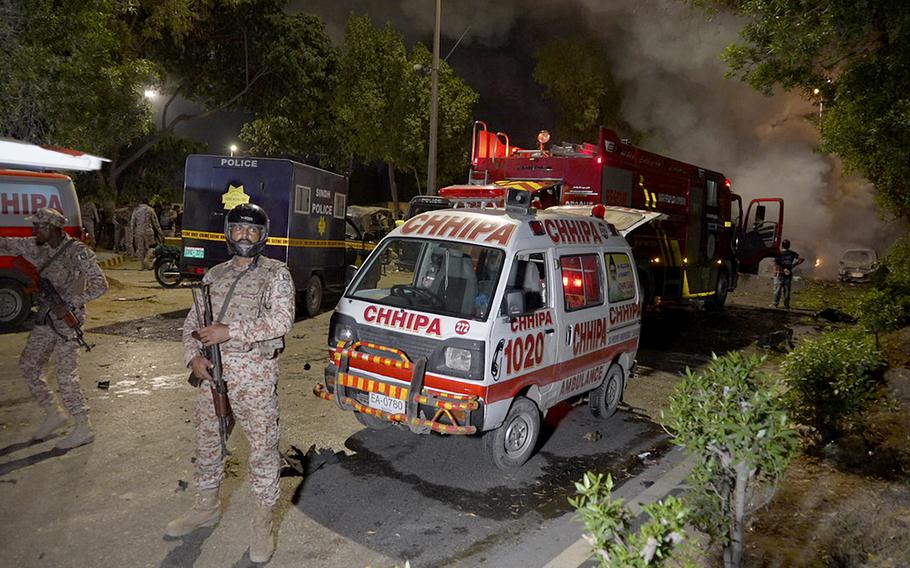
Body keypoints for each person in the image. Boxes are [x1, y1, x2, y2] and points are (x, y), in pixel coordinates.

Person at [166, 203, 294, 564]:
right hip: (212, 375)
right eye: (238, 228)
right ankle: (205, 507)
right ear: (228, 231)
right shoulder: (214, 275)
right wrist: (193, 356)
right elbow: (193, 321)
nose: (244, 236)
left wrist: (230, 331)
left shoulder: (276, 275)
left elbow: (282, 320)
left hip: (254, 375)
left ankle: (262, 524)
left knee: (263, 451)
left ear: (263, 235)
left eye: (252, 231)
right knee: (208, 442)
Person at [0, 208, 108, 449]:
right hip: (47, 317)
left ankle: (83, 425)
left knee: (64, 374)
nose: (33, 230)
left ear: (52, 228)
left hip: (69, 320)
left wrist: (72, 302)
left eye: (38, 226)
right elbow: (6, 244)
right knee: (29, 364)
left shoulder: (77, 252)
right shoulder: (35, 246)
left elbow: (101, 285)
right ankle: (53, 413)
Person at [129, 198, 163, 269]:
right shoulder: (150, 209)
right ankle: (146, 260)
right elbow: (155, 222)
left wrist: (132, 233)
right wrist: (160, 232)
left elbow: (132, 222)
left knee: (140, 248)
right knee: (150, 247)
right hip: (148, 231)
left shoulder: (136, 210)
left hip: (139, 231)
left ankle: (142, 265)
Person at [772, 239, 805, 309]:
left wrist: (782, 270)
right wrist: (793, 266)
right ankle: (786, 305)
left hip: (780, 273)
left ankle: (775, 304)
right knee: (787, 290)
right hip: (788, 274)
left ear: (782, 245)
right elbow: (802, 259)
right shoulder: (792, 253)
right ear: (789, 246)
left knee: (777, 290)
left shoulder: (778, 253)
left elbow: (776, 264)